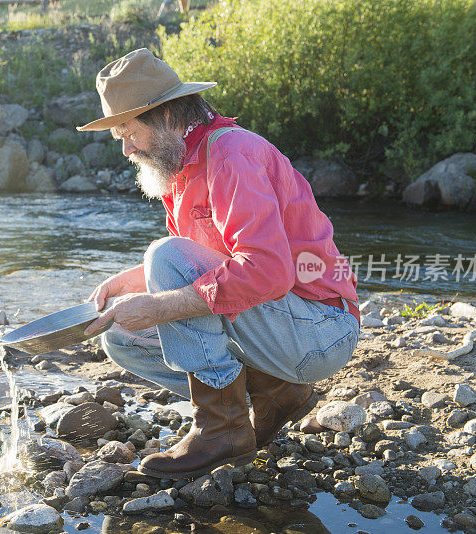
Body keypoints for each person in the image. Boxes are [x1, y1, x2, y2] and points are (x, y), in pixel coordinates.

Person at [78, 48, 360, 480]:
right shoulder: (180, 166)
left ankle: (222, 429)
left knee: (165, 257)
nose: (125, 148)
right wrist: (130, 281)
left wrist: (158, 305)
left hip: (320, 329)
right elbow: (210, 260)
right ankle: (276, 394)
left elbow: (266, 271)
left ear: (167, 116)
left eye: (128, 131)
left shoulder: (232, 155)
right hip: (280, 327)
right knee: (119, 337)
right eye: (118, 135)